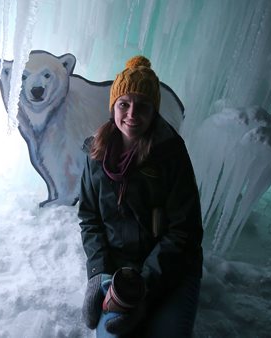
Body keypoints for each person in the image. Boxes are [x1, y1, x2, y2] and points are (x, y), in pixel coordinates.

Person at [78, 56, 203, 337]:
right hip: (118, 264)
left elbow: (184, 232)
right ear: (113, 107)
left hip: (172, 267)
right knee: (111, 333)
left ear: (154, 111)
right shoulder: (94, 154)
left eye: (143, 105)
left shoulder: (170, 154)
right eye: (124, 104)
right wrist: (98, 272)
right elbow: (89, 217)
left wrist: (143, 287)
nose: (132, 114)